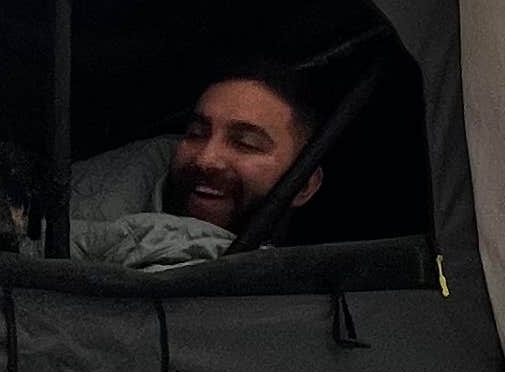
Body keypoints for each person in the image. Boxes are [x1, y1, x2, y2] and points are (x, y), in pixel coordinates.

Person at [60, 65, 324, 267]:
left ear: (303, 186)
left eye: (245, 143)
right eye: (196, 134)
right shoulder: (86, 204)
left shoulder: (310, 296)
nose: (206, 159)